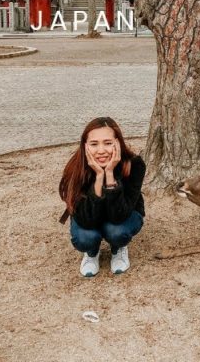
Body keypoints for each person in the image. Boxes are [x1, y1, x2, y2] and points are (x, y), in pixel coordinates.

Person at [58, 117, 146, 278]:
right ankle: (92, 252)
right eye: (94, 144)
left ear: (118, 143)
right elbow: (86, 221)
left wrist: (110, 174)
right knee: (85, 238)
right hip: (89, 217)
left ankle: (118, 248)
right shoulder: (75, 167)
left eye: (107, 143)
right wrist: (99, 176)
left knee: (117, 232)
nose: (101, 150)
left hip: (122, 216)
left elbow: (120, 215)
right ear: (85, 145)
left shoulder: (134, 165)